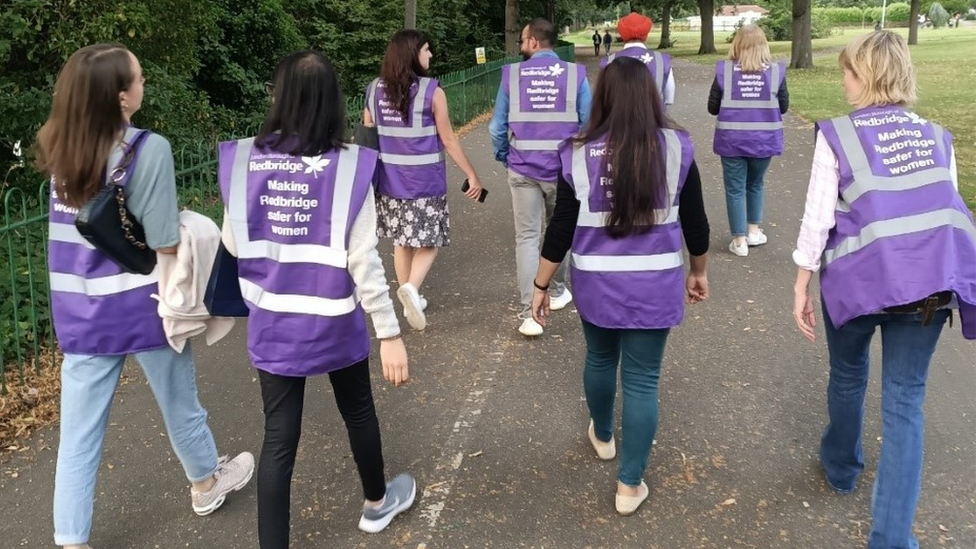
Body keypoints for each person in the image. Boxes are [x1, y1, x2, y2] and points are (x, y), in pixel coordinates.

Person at [35, 43, 254, 549]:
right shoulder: (145, 148)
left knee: (79, 436)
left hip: (79, 309)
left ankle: (70, 538)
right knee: (180, 402)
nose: (143, 84)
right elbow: (163, 241)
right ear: (120, 98)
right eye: (138, 78)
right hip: (141, 303)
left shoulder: (59, 147)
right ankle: (205, 483)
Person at [218, 50, 417, 548]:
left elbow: (233, 244)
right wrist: (389, 332)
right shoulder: (349, 168)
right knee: (358, 410)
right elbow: (364, 262)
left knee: (279, 439)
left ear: (278, 97)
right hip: (334, 321)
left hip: (274, 323)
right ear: (333, 102)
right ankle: (376, 503)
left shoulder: (246, 162)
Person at [792, 31, 976, 549]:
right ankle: (892, 538)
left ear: (868, 75)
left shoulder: (839, 136)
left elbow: (817, 219)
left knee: (848, 374)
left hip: (859, 282)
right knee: (905, 403)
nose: (843, 81)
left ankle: (841, 466)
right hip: (929, 289)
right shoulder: (938, 136)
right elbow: (946, 207)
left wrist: (803, 281)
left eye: (848, 71)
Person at [532, 57, 710, 516]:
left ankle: (603, 435)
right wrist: (699, 271)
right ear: (651, 96)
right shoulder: (677, 147)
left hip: (596, 284)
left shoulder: (576, 151)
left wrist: (540, 285)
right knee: (643, 380)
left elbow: (560, 228)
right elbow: (696, 222)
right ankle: (630, 485)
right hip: (655, 284)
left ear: (603, 98)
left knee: (599, 357)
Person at [363, 30, 484, 332]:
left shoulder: (373, 90)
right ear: (412, 54)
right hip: (423, 183)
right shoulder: (432, 91)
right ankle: (412, 290)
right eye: (427, 50)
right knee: (430, 241)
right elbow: (447, 139)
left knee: (402, 242)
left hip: (388, 184)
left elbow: (367, 136)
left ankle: (408, 296)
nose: (430, 55)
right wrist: (471, 174)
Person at [488, 18, 591, 336]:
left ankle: (528, 315)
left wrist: (506, 156)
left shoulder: (513, 75)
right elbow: (588, 123)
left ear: (534, 42)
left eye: (522, 41)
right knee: (559, 229)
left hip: (523, 168)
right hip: (564, 170)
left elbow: (496, 128)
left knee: (527, 238)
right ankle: (556, 291)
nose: (520, 47)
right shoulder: (575, 75)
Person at [707, 24, 788, 257]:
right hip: (764, 140)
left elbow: (713, 107)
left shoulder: (725, 71)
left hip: (731, 140)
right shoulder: (776, 72)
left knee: (735, 189)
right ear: (764, 45)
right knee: (755, 184)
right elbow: (783, 106)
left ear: (737, 44)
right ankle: (753, 230)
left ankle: (739, 241)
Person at [600, 12, 676, 109]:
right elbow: (669, 98)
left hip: (618, 120)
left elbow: (603, 99)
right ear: (646, 34)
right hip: (655, 120)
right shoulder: (662, 60)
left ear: (622, 35)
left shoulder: (608, 61)